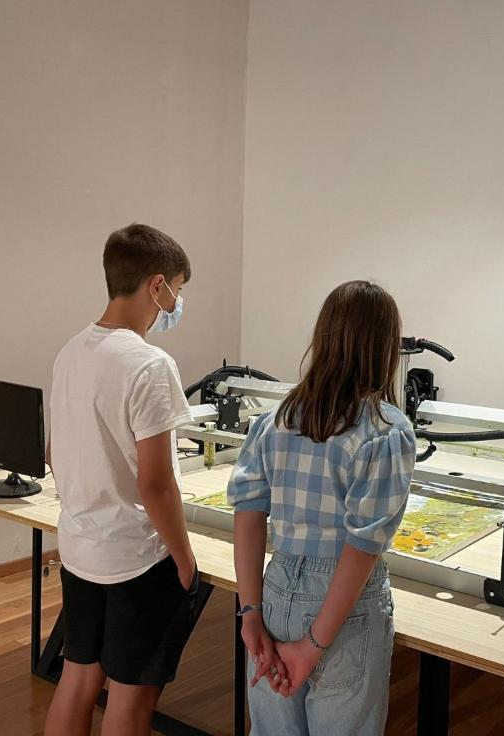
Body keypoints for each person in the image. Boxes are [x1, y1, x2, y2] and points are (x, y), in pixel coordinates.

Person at [228, 279, 416, 736]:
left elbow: (249, 514)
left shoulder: (274, 421)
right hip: (343, 608)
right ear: (385, 349)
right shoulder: (385, 431)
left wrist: (250, 610)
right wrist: (313, 647)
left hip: (274, 590)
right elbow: (362, 545)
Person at [44, 224, 198, 736]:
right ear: (157, 286)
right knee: (130, 696)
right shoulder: (150, 364)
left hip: (80, 546)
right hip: (135, 558)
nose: (178, 301)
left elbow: (53, 451)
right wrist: (184, 557)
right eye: (179, 287)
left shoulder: (71, 351)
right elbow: (156, 485)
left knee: (78, 678)